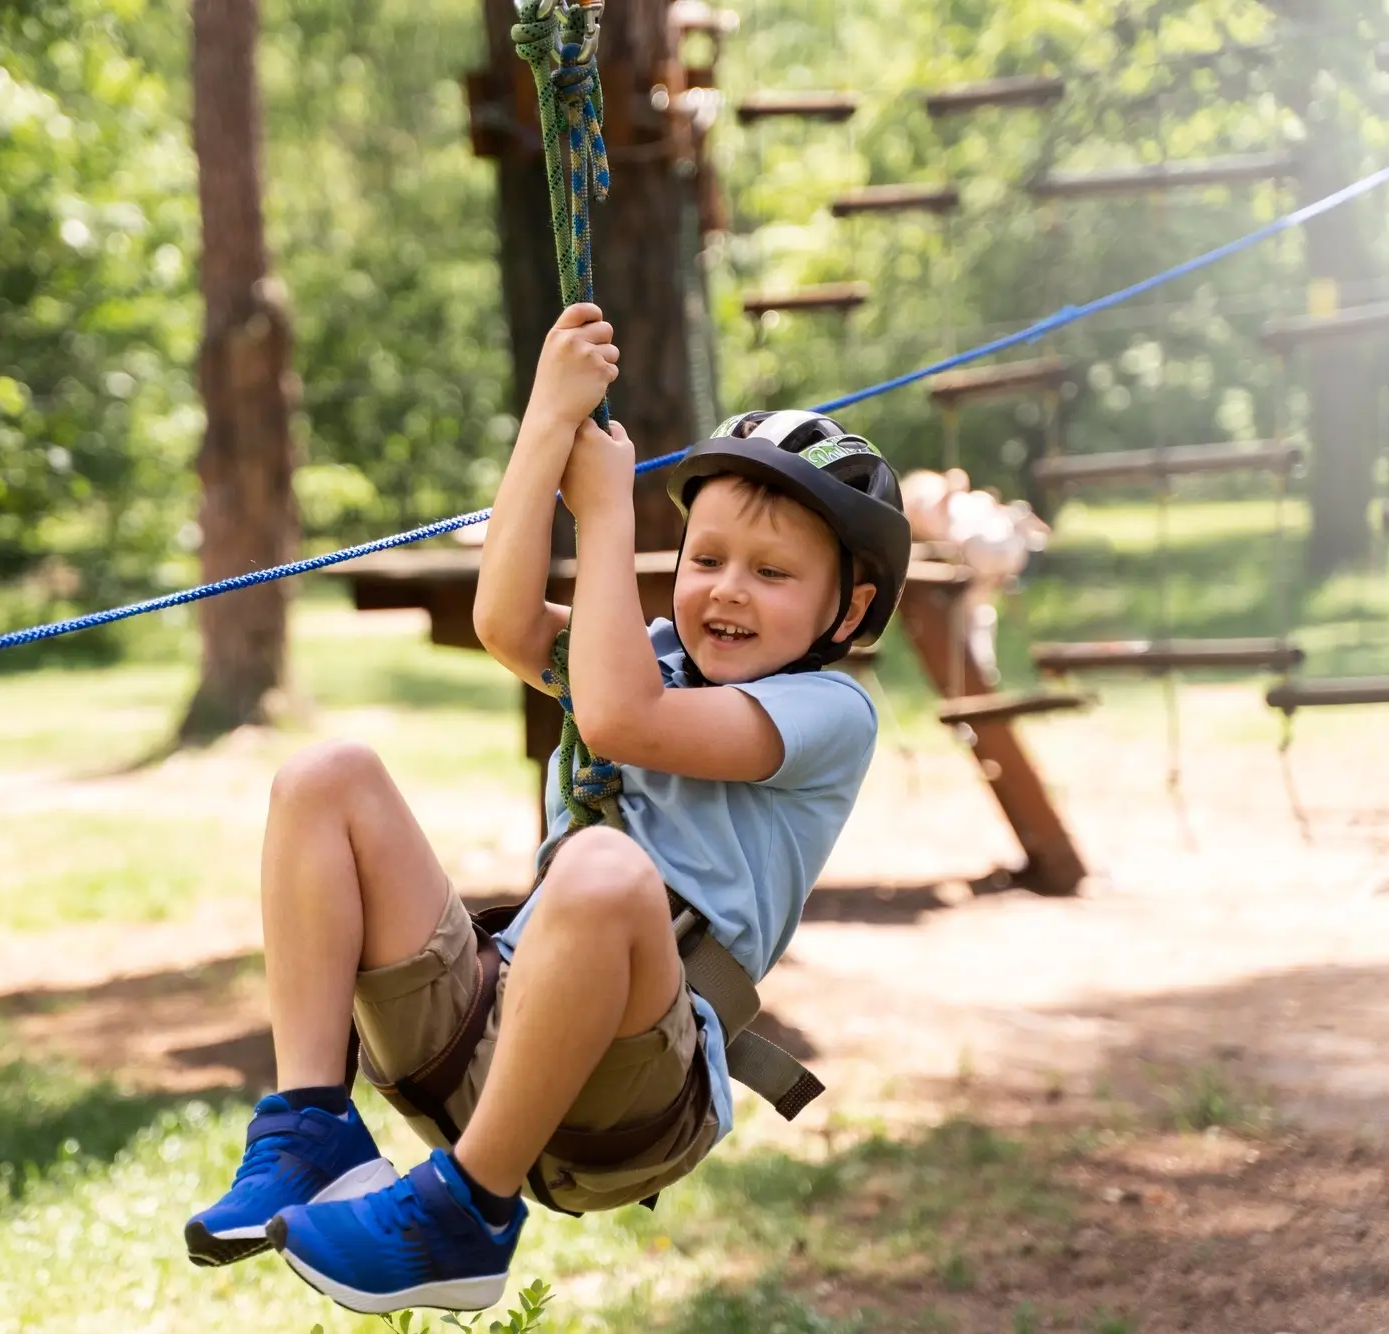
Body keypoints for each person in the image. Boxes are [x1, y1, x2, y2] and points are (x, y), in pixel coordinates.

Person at [184, 303, 911, 1314]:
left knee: (605, 868)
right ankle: (309, 1125)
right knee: (327, 776)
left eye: (771, 572)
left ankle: (465, 1216)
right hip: (488, 1030)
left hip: (629, 1097)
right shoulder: (648, 651)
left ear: (851, 610)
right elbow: (506, 619)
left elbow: (617, 717)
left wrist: (607, 515)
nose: (724, 592)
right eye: (704, 560)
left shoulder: (827, 712)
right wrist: (546, 423)